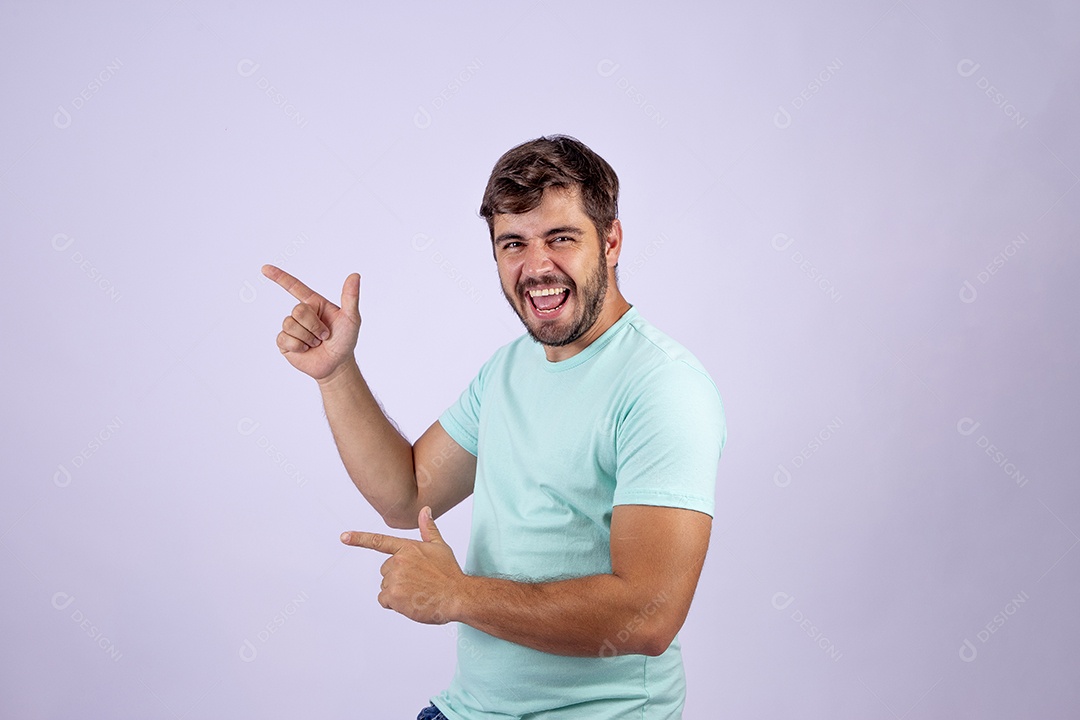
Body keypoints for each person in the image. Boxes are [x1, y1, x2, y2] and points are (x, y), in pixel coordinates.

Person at [263, 135, 726, 719]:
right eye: (514, 243)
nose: (536, 267)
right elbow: (408, 495)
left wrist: (457, 594)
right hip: (467, 710)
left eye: (561, 237)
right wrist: (336, 373)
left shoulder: (662, 388)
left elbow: (649, 615)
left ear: (611, 241)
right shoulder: (509, 368)